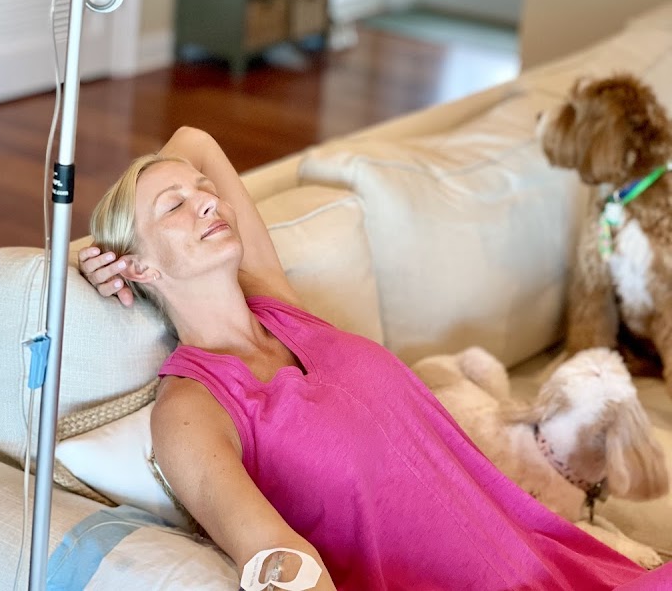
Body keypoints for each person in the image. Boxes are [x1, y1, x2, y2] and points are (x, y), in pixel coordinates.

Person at [79, 126, 667, 591]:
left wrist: (127, 230)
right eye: (175, 206)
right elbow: (271, 556)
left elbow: (196, 140)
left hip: (551, 564)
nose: (209, 202)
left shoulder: (280, 308)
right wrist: (101, 248)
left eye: (205, 190)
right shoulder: (190, 409)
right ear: (140, 268)